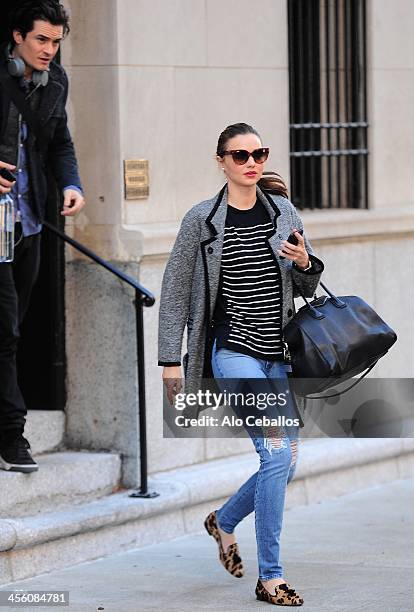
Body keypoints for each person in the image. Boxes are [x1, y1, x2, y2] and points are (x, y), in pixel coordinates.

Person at [158, 123, 324, 606]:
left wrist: (304, 263)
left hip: (280, 354)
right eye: (239, 154)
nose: (251, 162)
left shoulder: (282, 211)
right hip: (232, 352)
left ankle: (223, 522)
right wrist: (171, 360)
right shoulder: (202, 219)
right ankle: (270, 575)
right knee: (275, 456)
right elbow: (174, 291)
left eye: (258, 153)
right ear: (221, 161)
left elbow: (308, 283)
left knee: (287, 461)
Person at [0, 0, 85, 473]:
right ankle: (13, 437)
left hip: (28, 223)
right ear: (17, 36)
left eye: (56, 42)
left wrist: (71, 184)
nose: (49, 50)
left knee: (13, 329)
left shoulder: (57, 82)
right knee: (7, 331)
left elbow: (61, 143)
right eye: (41, 40)